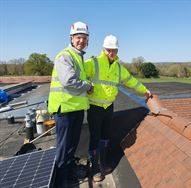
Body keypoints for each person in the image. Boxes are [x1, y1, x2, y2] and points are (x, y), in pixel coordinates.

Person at [84, 35, 152, 182]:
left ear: (117, 50)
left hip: (109, 108)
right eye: (108, 49)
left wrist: (144, 90)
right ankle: (95, 167)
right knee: (95, 138)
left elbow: (131, 81)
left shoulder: (118, 67)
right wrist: (86, 86)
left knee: (104, 137)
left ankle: (103, 162)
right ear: (103, 49)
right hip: (94, 107)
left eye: (114, 50)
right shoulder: (92, 63)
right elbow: (80, 76)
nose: (111, 53)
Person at [48, 21, 93, 188]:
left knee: (71, 146)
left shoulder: (79, 57)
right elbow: (68, 81)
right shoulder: (64, 56)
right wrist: (88, 86)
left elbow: (77, 81)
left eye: (84, 38)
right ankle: (60, 182)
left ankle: (68, 174)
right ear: (71, 38)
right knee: (64, 148)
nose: (81, 41)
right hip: (65, 110)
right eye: (78, 37)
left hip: (75, 109)